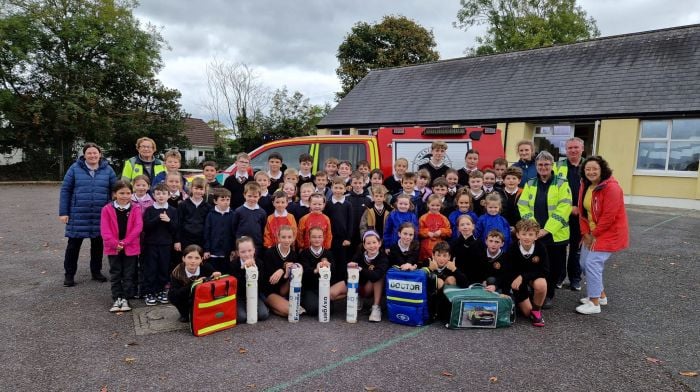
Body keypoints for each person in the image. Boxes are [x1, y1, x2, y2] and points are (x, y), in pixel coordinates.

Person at [517, 151, 572, 309]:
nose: (543, 167)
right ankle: (535, 289)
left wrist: (547, 229)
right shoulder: (530, 183)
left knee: (555, 266)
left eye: (546, 164)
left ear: (552, 165)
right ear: (536, 166)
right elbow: (523, 205)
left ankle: (549, 294)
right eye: (540, 164)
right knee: (535, 264)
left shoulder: (562, 183)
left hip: (555, 234)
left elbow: (564, 207)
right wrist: (535, 229)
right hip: (536, 234)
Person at [575, 156, 629, 315]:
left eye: (594, 169)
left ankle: (594, 303)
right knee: (584, 263)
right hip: (591, 232)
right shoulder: (586, 185)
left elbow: (609, 217)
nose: (591, 172)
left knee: (592, 263)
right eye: (587, 169)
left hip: (608, 232)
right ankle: (601, 295)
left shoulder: (612, 188)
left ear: (602, 170)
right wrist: (585, 233)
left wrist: (594, 235)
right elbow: (583, 212)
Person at [59, 142, 116, 287]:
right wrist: (63, 212)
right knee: (73, 246)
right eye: (89, 153)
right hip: (78, 214)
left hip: (100, 214)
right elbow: (66, 190)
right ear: (84, 155)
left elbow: (114, 191)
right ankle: (69, 275)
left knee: (97, 245)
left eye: (95, 153)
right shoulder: (74, 169)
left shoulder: (108, 170)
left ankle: (96, 272)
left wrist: (112, 210)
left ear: (100, 155)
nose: (92, 155)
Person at [100, 180, 143, 312]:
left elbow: (138, 227)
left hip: (130, 246)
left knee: (129, 274)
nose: (125, 196)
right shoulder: (107, 209)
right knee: (116, 273)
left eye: (128, 193)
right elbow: (105, 230)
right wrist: (115, 243)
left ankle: (125, 298)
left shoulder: (136, 208)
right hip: (113, 248)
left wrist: (124, 243)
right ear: (114, 194)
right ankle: (116, 298)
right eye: (121, 193)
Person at [555, 137, 585, 291]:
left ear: (582, 148)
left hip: (581, 215)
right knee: (560, 248)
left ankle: (575, 279)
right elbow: (554, 190)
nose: (573, 150)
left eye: (576, 147)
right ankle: (559, 277)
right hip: (562, 213)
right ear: (565, 150)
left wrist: (580, 207)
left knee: (576, 249)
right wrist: (569, 207)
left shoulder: (589, 165)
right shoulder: (558, 166)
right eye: (570, 148)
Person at [142, 183, 179, 306]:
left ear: (169, 195)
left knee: (164, 268)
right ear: (153, 195)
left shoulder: (173, 210)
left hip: (166, 244)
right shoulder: (150, 210)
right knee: (151, 268)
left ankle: (161, 290)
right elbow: (146, 227)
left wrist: (168, 221)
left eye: (164, 193)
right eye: (158, 193)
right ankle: (150, 292)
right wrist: (157, 218)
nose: (161, 196)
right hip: (151, 244)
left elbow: (175, 228)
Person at [507, 219, 549, 327]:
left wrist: (523, 276)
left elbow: (544, 270)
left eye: (531, 234)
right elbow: (509, 270)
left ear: (536, 236)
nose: (527, 237)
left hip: (531, 277)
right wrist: (518, 278)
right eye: (524, 234)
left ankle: (537, 310)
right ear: (517, 235)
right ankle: (526, 299)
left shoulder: (541, 248)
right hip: (517, 280)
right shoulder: (512, 248)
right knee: (526, 313)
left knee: (541, 284)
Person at [299, 226, 346, 317]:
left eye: (320, 237)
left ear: (323, 238)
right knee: (313, 309)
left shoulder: (328, 253)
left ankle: (328, 299)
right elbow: (304, 272)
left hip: (325, 287)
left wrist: (328, 268)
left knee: (329, 310)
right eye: (314, 237)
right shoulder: (304, 254)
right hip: (310, 288)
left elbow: (334, 272)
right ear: (309, 238)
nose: (317, 239)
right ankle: (304, 300)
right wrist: (316, 270)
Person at [169, 245, 221, 322]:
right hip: (185, 298)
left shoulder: (206, 267)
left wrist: (217, 275)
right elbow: (175, 294)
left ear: (201, 259)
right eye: (189, 257)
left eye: (197, 258)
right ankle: (185, 313)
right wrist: (194, 284)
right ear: (183, 258)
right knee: (172, 296)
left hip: (202, 297)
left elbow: (216, 280)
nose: (193, 261)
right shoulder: (177, 272)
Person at [347, 230, 389, 322]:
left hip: (370, 288)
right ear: (364, 245)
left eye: (374, 242)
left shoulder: (383, 257)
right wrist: (350, 266)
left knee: (379, 276)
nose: (372, 246)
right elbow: (350, 269)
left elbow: (375, 276)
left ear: (380, 243)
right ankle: (356, 297)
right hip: (358, 287)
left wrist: (361, 269)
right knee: (333, 294)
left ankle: (376, 307)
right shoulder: (359, 255)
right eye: (368, 243)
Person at [230, 236, 270, 323]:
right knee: (241, 317)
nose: (247, 254)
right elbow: (236, 287)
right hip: (240, 296)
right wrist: (244, 269)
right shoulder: (234, 265)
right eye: (243, 252)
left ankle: (262, 306)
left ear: (254, 250)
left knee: (263, 315)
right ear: (238, 253)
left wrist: (254, 271)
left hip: (254, 295)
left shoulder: (259, 263)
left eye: (250, 250)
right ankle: (241, 308)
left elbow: (262, 285)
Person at [261, 225, 298, 317]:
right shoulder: (269, 253)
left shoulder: (294, 255)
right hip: (270, 291)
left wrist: (285, 272)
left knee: (294, 312)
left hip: (284, 291)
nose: (286, 240)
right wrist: (281, 270)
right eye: (283, 237)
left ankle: (274, 307)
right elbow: (269, 282)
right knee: (291, 311)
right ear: (278, 238)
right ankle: (269, 304)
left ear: (293, 238)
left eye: (289, 237)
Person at [203, 188, 236, 275]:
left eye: (228, 200)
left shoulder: (233, 214)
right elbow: (207, 233)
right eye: (222, 199)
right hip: (213, 252)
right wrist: (206, 249)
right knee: (214, 274)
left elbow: (234, 233)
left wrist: (233, 249)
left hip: (227, 253)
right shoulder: (210, 215)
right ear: (215, 201)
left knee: (225, 274)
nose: (226, 202)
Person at [324, 177, 353, 269]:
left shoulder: (348, 204)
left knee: (342, 261)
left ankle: (342, 281)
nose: (338, 190)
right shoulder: (328, 204)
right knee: (331, 260)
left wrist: (348, 238)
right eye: (336, 188)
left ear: (345, 189)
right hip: (330, 238)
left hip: (343, 239)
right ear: (332, 188)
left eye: (341, 188)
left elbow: (350, 222)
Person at [175, 177, 211, 251]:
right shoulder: (183, 205)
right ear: (191, 189)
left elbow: (208, 227)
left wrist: (207, 245)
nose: (198, 191)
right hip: (185, 239)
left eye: (201, 189)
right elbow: (178, 224)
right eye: (196, 188)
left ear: (205, 190)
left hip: (201, 240)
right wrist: (177, 241)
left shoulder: (208, 207)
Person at [232, 182, 267, 252]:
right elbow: (234, 227)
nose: (252, 199)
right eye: (249, 196)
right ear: (244, 195)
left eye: (255, 197)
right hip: (242, 244)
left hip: (257, 244)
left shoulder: (262, 212)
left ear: (259, 196)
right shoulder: (239, 211)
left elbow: (263, 228)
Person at [450, 214, 483, 287]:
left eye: (468, 224)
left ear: (473, 226)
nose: (465, 227)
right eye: (462, 225)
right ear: (458, 228)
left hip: (475, 280)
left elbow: (481, 264)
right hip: (458, 278)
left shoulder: (479, 243)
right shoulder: (454, 244)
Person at [418, 195, 452, 261]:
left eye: (437, 205)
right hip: (426, 246)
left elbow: (449, 231)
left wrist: (441, 231)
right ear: (428, 204)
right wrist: (427, 233)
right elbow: (419, 231)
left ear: (441, 205)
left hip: (440, 246)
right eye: (432, 205)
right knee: (426, 264)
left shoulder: (444, 218)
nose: (435, 207)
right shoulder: (423, 218)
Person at [347, 171, 371, 250]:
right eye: (355, 183)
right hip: (350, 232)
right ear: (351, 183)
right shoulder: (346, 198)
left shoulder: (369, 199)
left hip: (363, 232)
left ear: (364, 183)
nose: (357, 185)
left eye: (360, 183)